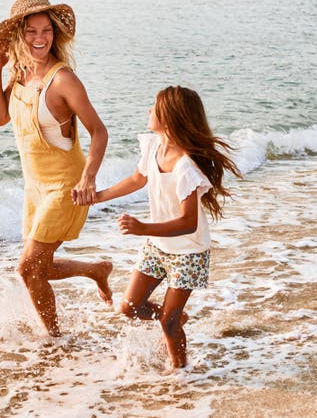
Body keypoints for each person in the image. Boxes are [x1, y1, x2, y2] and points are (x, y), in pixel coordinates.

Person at [93, 86, 241, 369]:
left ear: (171, 117)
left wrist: (143, 228)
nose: (149, 110)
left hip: (188, 252)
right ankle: (176, 317)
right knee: (129, 307)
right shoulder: (153, 147)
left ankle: (181, 374)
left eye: (155, 107)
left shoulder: (186, 167)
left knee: (168, 324)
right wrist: (98, 197)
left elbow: (188, 222)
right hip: (159, 245)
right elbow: (137, 179)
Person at [0, 0, 112, 336]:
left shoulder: (62, 80)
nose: (39, 38)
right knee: (38, 268)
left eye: (46, 30)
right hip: (35, 188)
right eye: (31, 31)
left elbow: (99, 131)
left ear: (55, 33)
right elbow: (0, 117)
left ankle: (54, 340)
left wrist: (89, 178)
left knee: (28, 269)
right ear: (19, 35)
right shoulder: (20, 74)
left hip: (66, 187)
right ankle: (95, 270)